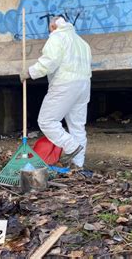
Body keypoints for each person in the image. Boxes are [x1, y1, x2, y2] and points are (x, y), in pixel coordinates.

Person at [20, 16, 92, 168]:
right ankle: (78, 165)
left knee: (47, 121)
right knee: (77, 126)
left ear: (53, 26)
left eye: (48, 29)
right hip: (84, 85)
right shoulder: (82, 43)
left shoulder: (57, 37)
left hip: (64, 84)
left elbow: (50, 62)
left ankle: (71, 147)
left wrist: (30, 72)